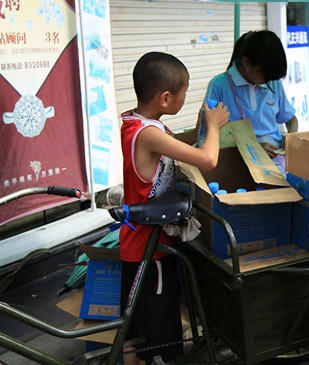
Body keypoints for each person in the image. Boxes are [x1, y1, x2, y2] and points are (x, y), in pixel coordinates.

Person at [120, 52, 229, 365]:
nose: (185, 97)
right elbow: (207, 159)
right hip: (147, 249)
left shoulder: (139, 123)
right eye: (183, 92)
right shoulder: (149, 134)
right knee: (154, 336)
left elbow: (187, 152)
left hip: (149, 244)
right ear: (166, 98)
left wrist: (201, 129)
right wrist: (214, 125)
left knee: (138, 329)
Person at [198, 30, 298, 170]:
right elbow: (206, 133)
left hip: (274, 161)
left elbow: (291, 119)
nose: (268, 81)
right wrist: (253, 149)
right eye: (265, 75)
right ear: (246, 63)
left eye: (271, 78)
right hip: (235, 162)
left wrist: (291, 137)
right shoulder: (219, 85)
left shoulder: (273, 83)